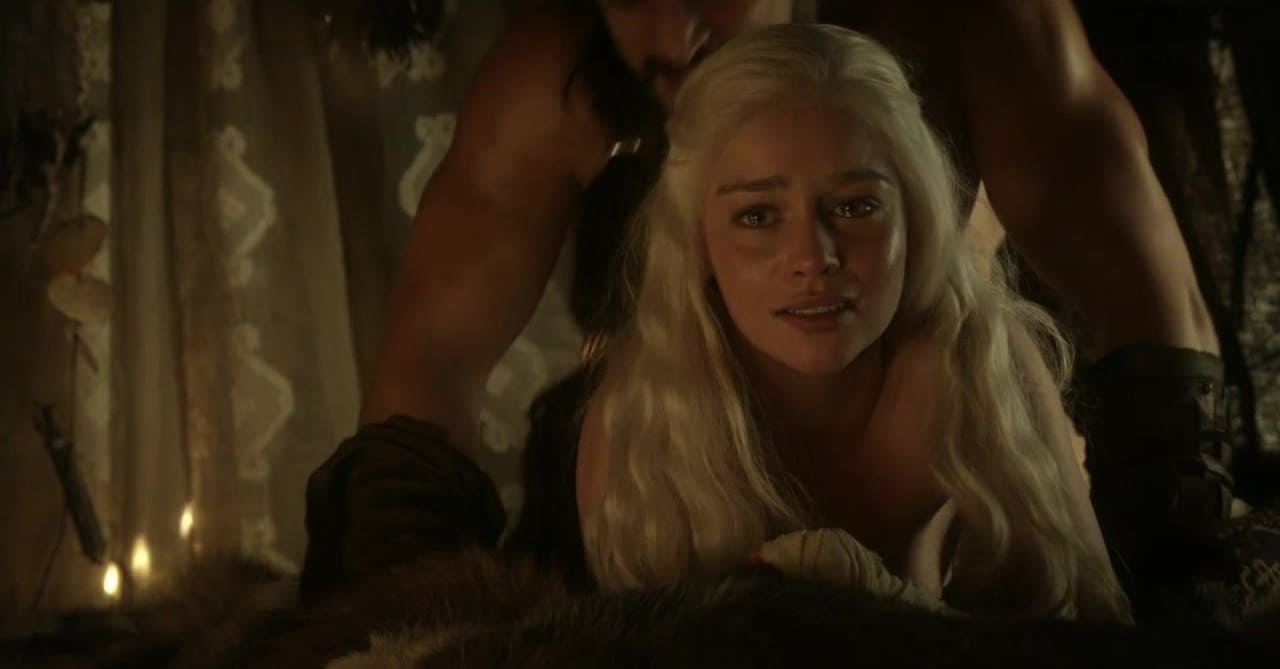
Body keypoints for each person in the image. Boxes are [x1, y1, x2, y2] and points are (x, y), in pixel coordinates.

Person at [299, 0, 1227, 613]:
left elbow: (1150, 317)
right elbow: (427, 370)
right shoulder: (559, 77)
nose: (674, 30)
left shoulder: (975, 24)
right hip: (661, 490)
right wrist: (397, 611)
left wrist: (1179, 585)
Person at [574, 24, 1128, 620]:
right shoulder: (640, 414)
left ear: (914, 216)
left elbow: (1102, 628)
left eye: (855, 206)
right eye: (758, 216)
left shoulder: (978, 358)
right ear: (696, 241)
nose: (813, 258)